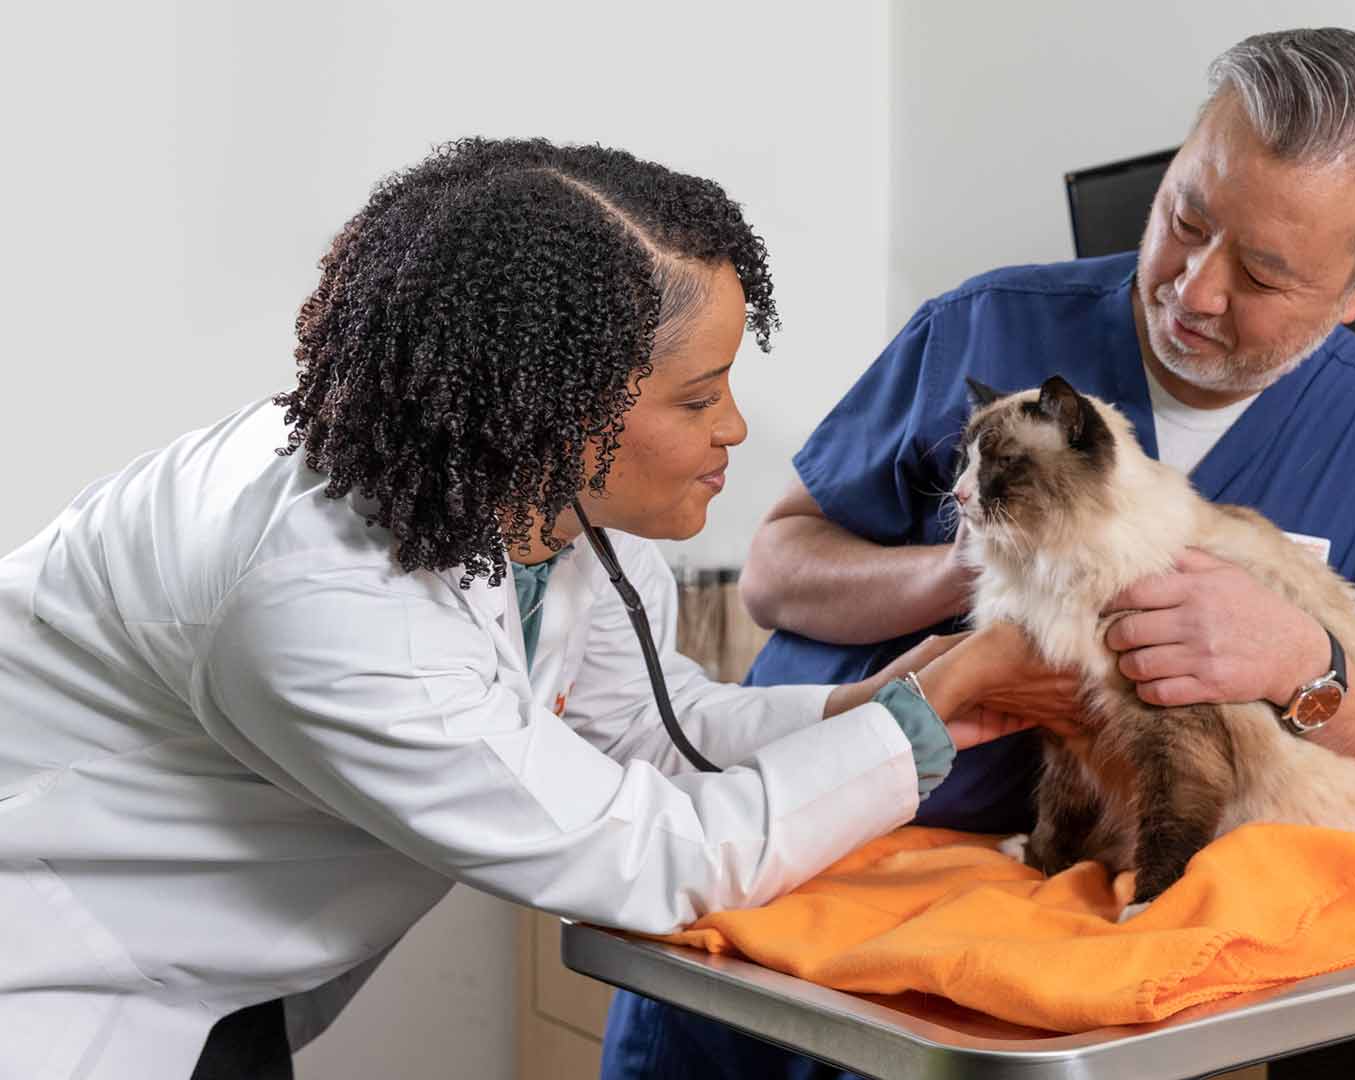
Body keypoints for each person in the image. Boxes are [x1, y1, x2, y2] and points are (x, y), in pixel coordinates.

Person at [0, 137, 1080, 1079]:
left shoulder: (548, 514)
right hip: (54, 971)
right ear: (557, 407)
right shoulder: (320, 598)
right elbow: (651, 857)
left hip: (204, 971)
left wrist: (870, 702)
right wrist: (924, 718)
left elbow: (645, 732)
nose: (736, 429)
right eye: (698, 397)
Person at [601, 27, 1355, 1078]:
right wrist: (989, 579)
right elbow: (777, 573)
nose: (1193, 288)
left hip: (1027, 968)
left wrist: (1302, 665)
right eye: (1184, 219)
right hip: (778, 878)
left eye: (1261, 273)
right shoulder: (986, 328)